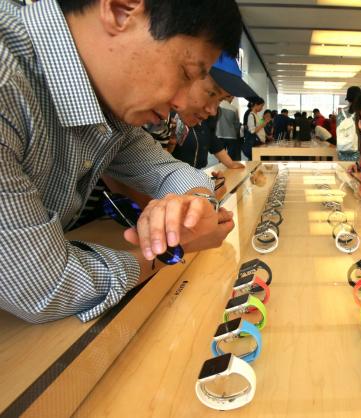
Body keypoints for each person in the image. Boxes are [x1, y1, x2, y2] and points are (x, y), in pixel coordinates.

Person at [0, 0, 243, 323]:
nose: (181, 102)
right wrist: (170, 250)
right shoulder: (7, 83)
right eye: (186, 73)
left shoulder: (109, 111)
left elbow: (167, 170)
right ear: (120, 10)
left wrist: (193, 205)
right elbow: (45, 286)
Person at [168, 53, 255, 169]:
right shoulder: (162, 119)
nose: (213, 111)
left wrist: (230, 163)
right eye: (211, 93)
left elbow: (212, 140)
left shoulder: (206, 118)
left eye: (220, 100)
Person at [337, 86, 361, 161]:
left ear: (348, 99)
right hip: (358, 150)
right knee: (356, 172)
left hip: (342, 150)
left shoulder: (341, 112)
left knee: (344, 171)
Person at [216, 95, 243, 161]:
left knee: (222, 158)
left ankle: (222, 169)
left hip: (219, 135)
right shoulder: (233, 109)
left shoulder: (217, 107)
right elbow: (236, 125)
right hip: (231, 137)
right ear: (231, 97)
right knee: (231, 158)